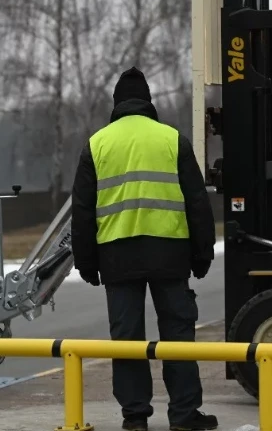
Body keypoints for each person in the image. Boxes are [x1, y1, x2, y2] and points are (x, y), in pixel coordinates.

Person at [70, 67, 218, 431]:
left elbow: (83, 211)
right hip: (170, 255)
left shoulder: (97, 144)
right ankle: (184, 415)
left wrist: (87, 263)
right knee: (179, 337)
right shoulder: (172, 140)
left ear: (117, 104)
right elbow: (197, 202)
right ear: (149, 102)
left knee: (127, 339)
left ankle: (135, 417)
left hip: (117, 256)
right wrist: (202, 253)